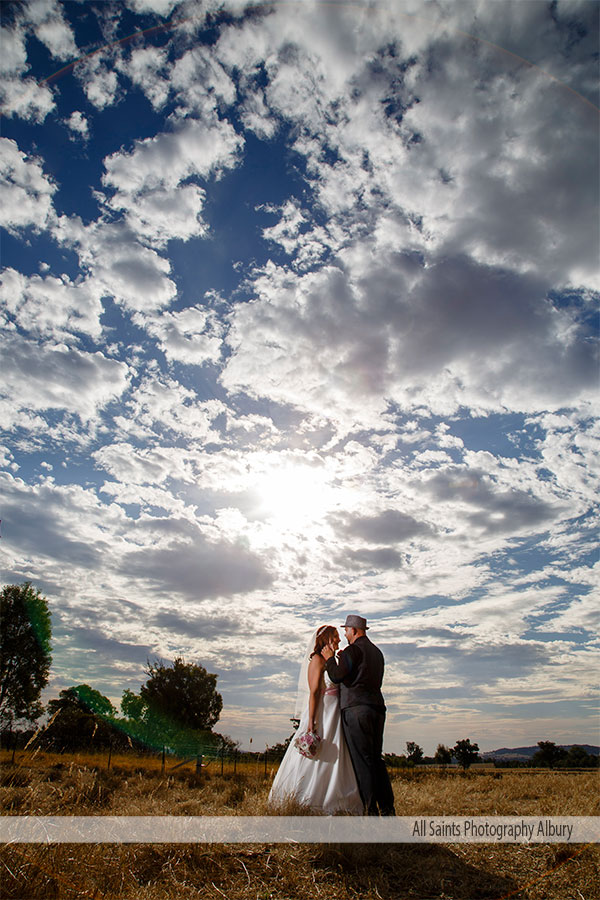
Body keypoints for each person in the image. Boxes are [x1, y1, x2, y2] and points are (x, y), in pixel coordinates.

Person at [268, 625, 363, 815]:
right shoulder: (317, 660)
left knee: (336, 753)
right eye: (335, 637)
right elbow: (313, 693)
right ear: (325, 639)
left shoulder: (332, 660)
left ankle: (337, 798)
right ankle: (307, 799)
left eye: (338, 636)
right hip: (322, 713)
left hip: (335, 714)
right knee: (319, 752)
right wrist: (311, 723)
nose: (338, 640)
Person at [322, 614, 396, 816]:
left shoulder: (353, 650)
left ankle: (370, 810)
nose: (345, 634)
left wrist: (330, 660)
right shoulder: (377, 652)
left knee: (363, 761)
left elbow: (337, 675)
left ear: (354, 630)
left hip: (356, 709)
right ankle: (388, 809)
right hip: (377, 709)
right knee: (376, 759)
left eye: (346, 630)